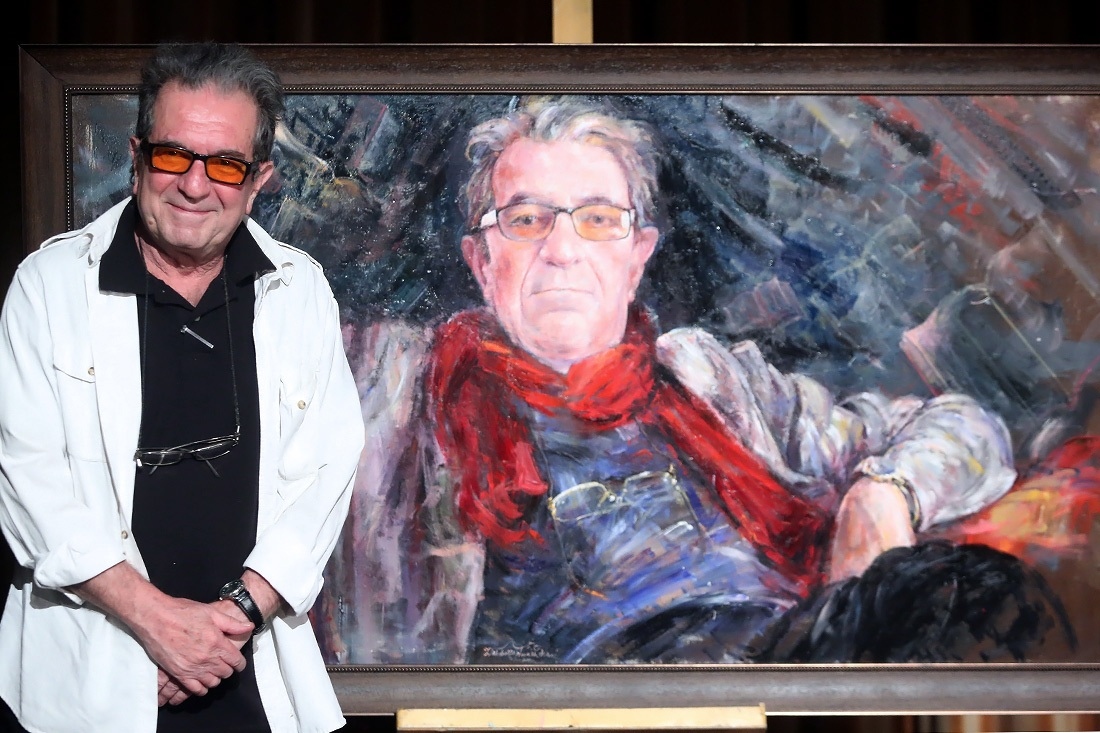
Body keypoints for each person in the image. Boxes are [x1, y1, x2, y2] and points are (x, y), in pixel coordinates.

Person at [313, 96, 1070, 667]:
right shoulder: (397, 390)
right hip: (589, 692)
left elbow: (967, 428)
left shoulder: (708, 379)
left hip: (790, 661)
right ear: (481, 261)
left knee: (983, 598)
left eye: (598, 220)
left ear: (637, 256)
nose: (563, 250)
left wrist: (883, 492)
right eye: (527, 219)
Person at [0, 42, 364, 732]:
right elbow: (26, 480)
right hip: (87, 684)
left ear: (259, 179)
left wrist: (226, 623)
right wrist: (159, 624)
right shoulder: (48, 287)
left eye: (224, 165)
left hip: (246, 673)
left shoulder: (300, 291)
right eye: (173, 156)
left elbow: (325, 473)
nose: (195, 186)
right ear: (138, 156)